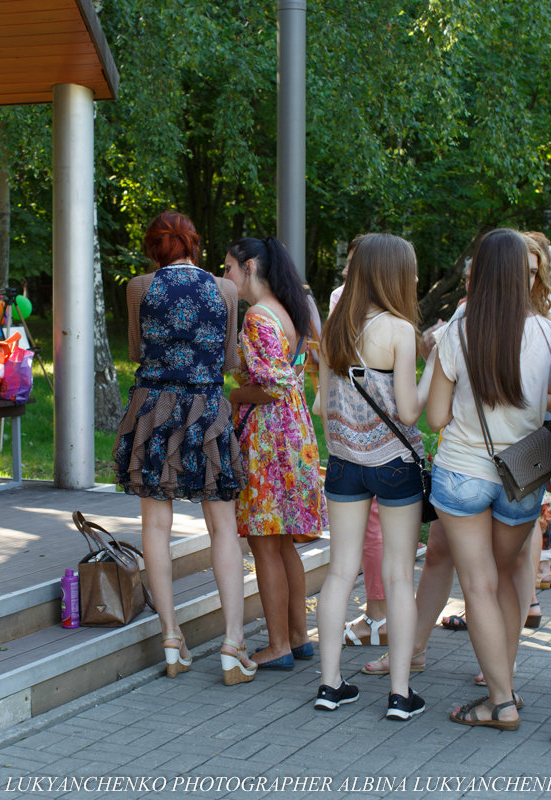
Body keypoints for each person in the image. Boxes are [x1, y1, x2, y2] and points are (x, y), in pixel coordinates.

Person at [426, 228, 551, 731]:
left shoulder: (458, 333)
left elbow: (436, 417)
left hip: (462, 471)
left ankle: (501, 702)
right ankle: (505, 686)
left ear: (480, 272)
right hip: (523, 475)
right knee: (508, 580)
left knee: (478, 587)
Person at [111, 210, 256, 686]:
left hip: (153, 409)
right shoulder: (226, 290)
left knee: (156, 523)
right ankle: (233, 645)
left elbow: (136, 351)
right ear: (194, 245)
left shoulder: (139, 287)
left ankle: (172, 638)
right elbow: (231, 359)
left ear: (154, 248)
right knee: (223, 528)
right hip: (207, 411)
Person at [313, 233, 431, 718]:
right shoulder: (400, 330)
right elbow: (408, 412)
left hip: (344, 463)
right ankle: (400, 694)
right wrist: (432, 370)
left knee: (340, 571)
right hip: (393, 465)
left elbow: (322, 405)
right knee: (400, 576)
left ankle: (329, 684)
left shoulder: (333, 326)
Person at [224, 236, 327, 670]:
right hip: (295, 434)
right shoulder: (292, 309)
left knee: (265, 546)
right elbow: (294, 379)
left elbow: (272, 385)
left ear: (249, 267)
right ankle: (299, 638)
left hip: (268, 439)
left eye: (228, 267)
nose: (225, 276)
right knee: (285, 546)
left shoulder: (256, 317)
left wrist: (231, 394)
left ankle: (278, 645)